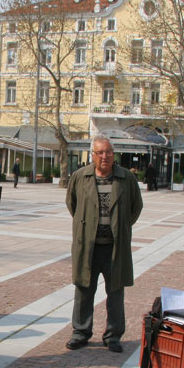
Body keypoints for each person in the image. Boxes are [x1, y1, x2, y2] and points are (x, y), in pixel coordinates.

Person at [65, 134, 143, 354]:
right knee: (83, 289)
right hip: (88, 246)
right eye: (100, 152)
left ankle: (113, 335)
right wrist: (87, 225)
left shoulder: (126, 178)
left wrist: (121, 225)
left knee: (116, 292)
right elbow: (72, 204)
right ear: (93, 155)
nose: (105, 156)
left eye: (108, 151)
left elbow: (136, 207)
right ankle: (80, 332)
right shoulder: (81, 177)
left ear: (113, 153)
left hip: (114, 247)